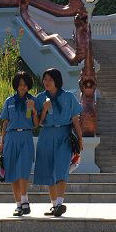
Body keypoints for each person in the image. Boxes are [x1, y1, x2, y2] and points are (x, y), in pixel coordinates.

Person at [33, 68, 83, 217]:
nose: (46, 82)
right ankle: (54, 205)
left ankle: (60, 203)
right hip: (46, 134)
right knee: (48, 169)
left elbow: (75, 119)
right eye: (45, 79)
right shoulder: (40, 97)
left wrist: (80, 139)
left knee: (61, 168)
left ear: (57, 81)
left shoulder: (68, 97)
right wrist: (44, 110)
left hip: (64, 134)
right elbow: (38, 123)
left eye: (50, 79)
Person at [0, 71, 38, 216]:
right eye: (20, 84)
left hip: (26, 136)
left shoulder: (32, 100)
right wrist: (2, 141)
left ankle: (25, 199)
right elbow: (5, 122)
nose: (22, 87)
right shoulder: (9, 101)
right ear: (16, 85)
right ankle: (18, 205)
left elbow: (36, 124)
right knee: (12, 172)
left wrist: (33, 109)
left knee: (23, 168)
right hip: (11, 137)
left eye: (25, 85)